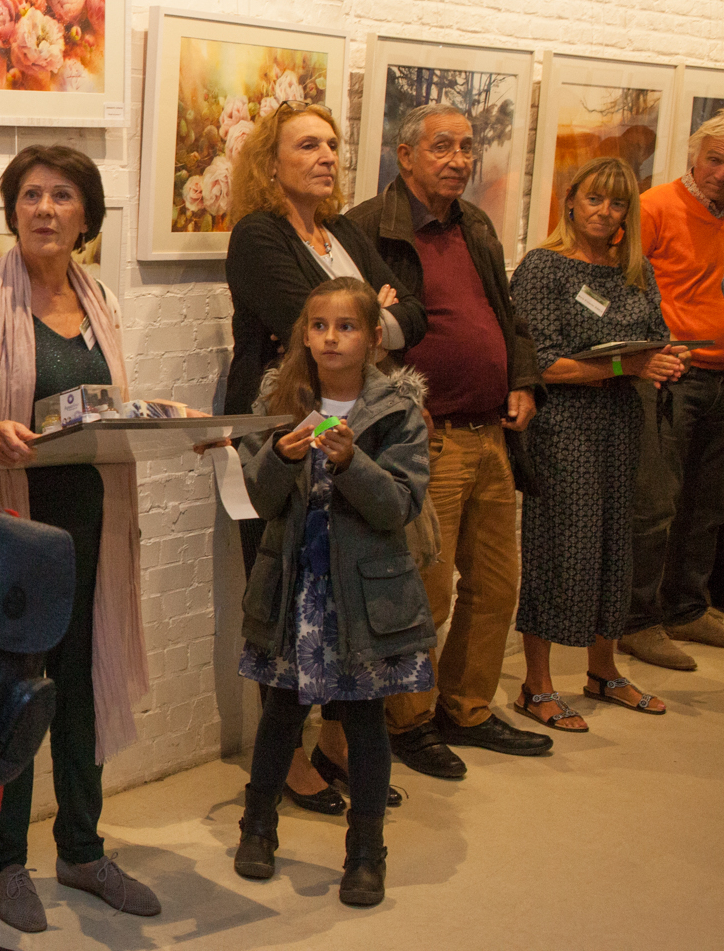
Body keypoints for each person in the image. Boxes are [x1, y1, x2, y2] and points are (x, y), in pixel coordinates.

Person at [0, 145, 156, 930]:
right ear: (12, 210)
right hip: (16, 528)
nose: (45, 208)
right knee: (16, 696)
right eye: (32, 194)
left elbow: (108, 404)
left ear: (86, 215)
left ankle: (81, 847)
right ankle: (5, 861)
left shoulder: (101, 300)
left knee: (82, 687)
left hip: (93, 522)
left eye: (63, 195)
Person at [223, 102, 426, 811]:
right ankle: (282, 755)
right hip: (282, 422)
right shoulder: (258, 235)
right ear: (269, 161)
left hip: (359, 425)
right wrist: (373, 315)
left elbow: (416, 312)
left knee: (349, 583)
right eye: (308, 144)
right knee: (282, 587)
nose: (327, 156)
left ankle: (337, 741)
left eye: (332, 144)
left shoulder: (342, 232)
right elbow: (304, 322)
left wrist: (380, 319)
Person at [348, 102, 554, 775]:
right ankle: (407, 721)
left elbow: (506, 313)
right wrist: (399, 408)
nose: (459, 160)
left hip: (491, 434)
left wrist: (522, 379)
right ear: (405, 154)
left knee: (496, 585)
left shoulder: (476, 225)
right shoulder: (368, 229)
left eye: (466, 147)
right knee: (424, 594)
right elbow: (352, 336)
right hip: (425, 442)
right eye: (443, 146)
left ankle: (465, 707)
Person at [232, 278, 434, 908]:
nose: (330, 338)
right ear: (304, 335)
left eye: (346, 327)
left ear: (373, 337)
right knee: (281, 713)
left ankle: (366, 853)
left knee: (366, 721)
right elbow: (257, 499)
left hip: (364, 596)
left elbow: (398, 506)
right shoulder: (278, 401)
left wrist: (352, 464)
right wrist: (283, 458)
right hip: (295, 590)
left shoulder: (398, 409)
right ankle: (257, 828)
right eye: (318, 326)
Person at [507, 157, 681, 730]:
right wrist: (626, 365)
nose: (605, 212)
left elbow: (650, 340)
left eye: (618, 202)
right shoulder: (544, 267)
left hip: (623, 424)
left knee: (615, 546)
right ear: (571, 201)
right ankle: (536, 685)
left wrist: (663, 360)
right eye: (595, 199)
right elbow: (539, 363)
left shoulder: (635, 270)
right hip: (562, 427)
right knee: (557, 547)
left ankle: (603, 671)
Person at [622, 113, 724, 669]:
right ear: (694, 157)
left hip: (720, 376)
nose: (722, 173)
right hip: (674, 374)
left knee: (707, 503)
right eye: (715, 159)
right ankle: (639, 621)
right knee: (657, 503)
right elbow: (624, 282)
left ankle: (687, 606)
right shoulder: (657, 206)